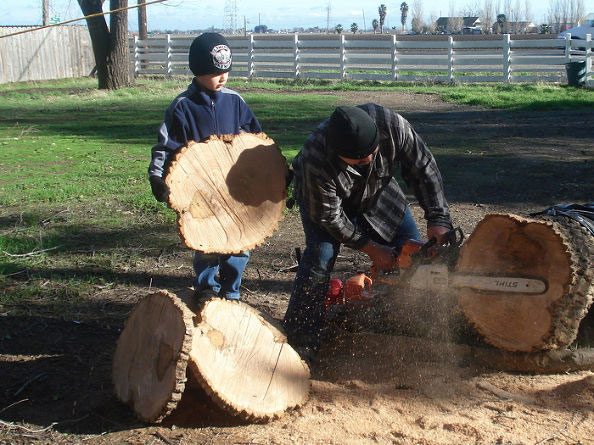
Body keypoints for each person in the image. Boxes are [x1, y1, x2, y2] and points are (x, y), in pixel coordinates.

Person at [283, 104, 453, 361]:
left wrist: (438, 218)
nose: (369, 159)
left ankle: (415, 327)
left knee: (415, 257)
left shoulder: (393, 126)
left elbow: (423, 169)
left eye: (372, 153)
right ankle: (302, 339)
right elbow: (331, 218)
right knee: (320, 259)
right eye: (359, 159)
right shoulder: (314, 160)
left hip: (378, 193)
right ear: (339, 153)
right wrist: (372, 248)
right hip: (324, 205)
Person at [148, 32, 262, 301]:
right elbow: (166, 146)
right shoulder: (182, 107)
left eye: (226, 72)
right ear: (198, 71)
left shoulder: (235, 102)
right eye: (214, 72)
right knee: (206, 242)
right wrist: (158, 178)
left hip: (235, 190)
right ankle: (206, 289)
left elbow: (256, 140)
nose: (222, 78)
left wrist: (271, 172)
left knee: (239, 242)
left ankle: (231, 291)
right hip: (200, 191)